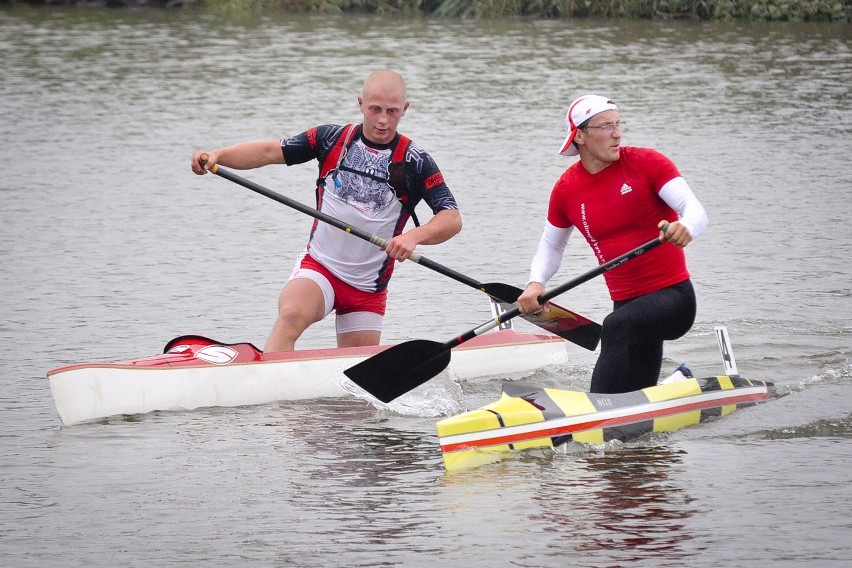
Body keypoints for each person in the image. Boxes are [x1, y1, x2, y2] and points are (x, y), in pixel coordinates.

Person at [191, 70, 462, 352]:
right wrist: (218, 156)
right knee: (291, 315)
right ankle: (267, 387)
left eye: (392, 111)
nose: (383, 119)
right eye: (375, 109)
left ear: (405, 109)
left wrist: (414, 236)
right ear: (360, 104)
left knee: (354, 378)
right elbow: (270, 152)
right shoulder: (331, 138)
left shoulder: (415, 161)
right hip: (321, 268)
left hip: (367, 289)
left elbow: (451, 218)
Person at [517, 95, 708, 394]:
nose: (617, 133)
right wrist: (535, 284)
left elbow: (695, 210)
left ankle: (593, 413)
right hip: (628, 306)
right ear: (579, 135)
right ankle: (672, 389)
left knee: (615, 327)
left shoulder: (647, 163)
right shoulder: (566, 189)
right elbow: (551, 246)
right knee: (634, 395)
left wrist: (686, 227)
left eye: (618, 125)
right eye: (606, 126)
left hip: (674, 300)